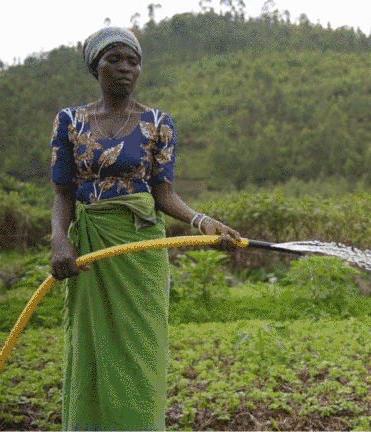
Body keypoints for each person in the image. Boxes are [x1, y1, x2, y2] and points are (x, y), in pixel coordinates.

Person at [49, 26, 240, 431]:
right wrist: (59, 239)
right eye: (113, 59)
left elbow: (164, 195)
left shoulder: (158, 123)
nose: (124, 69)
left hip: (141, 247)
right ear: (95, 67)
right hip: (91, 249)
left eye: (132, 61)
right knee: (93, 348)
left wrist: (205, 224)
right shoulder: (70, 121)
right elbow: (63, 194)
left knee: (141, 350)